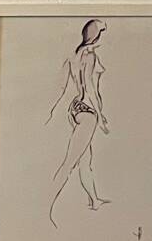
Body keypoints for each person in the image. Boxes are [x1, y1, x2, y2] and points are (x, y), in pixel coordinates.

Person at [45, 19, 111, 227]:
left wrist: (54, 111)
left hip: (75, 109)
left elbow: (62, 87)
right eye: (102, 33)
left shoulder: (74, 55)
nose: (103, 37)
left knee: (84, 160)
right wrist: (100, 116)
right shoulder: (90, 56)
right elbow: (90, 88)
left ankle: (94, 199)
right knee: (69, 163)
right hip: (88, 112)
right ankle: (44, 206)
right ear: (96, 36)